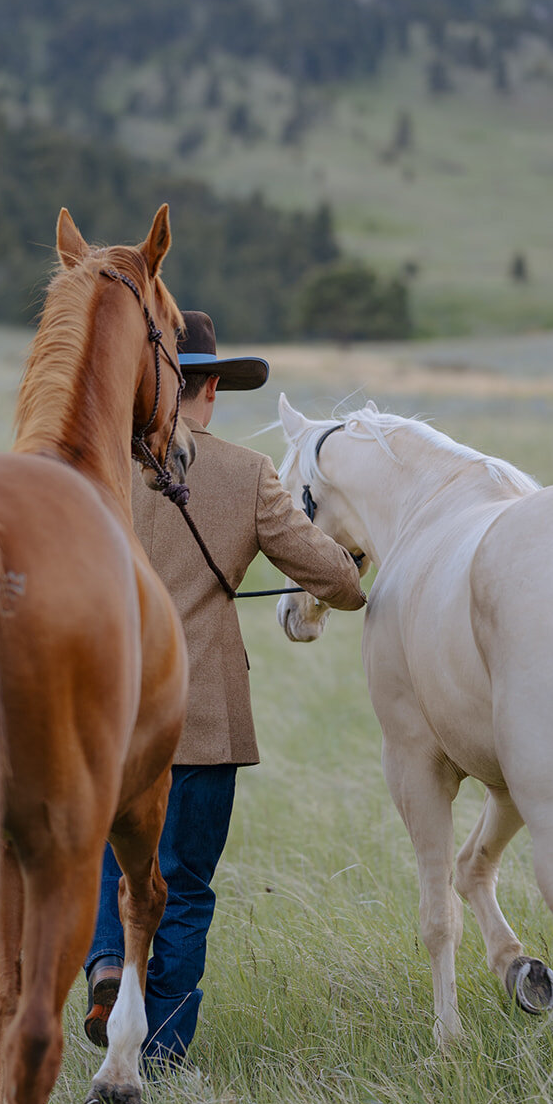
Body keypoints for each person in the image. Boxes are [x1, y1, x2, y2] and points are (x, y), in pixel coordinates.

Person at [83, 310, 366, 1064]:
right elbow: (331, 577)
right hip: (201, 714)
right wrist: (356, 572)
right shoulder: (245, 474)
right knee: (184, 886)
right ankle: (162, 1051)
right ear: (208, 384)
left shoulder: (99, 463)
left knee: (111, 863)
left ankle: (108, 967)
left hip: (106, 710)